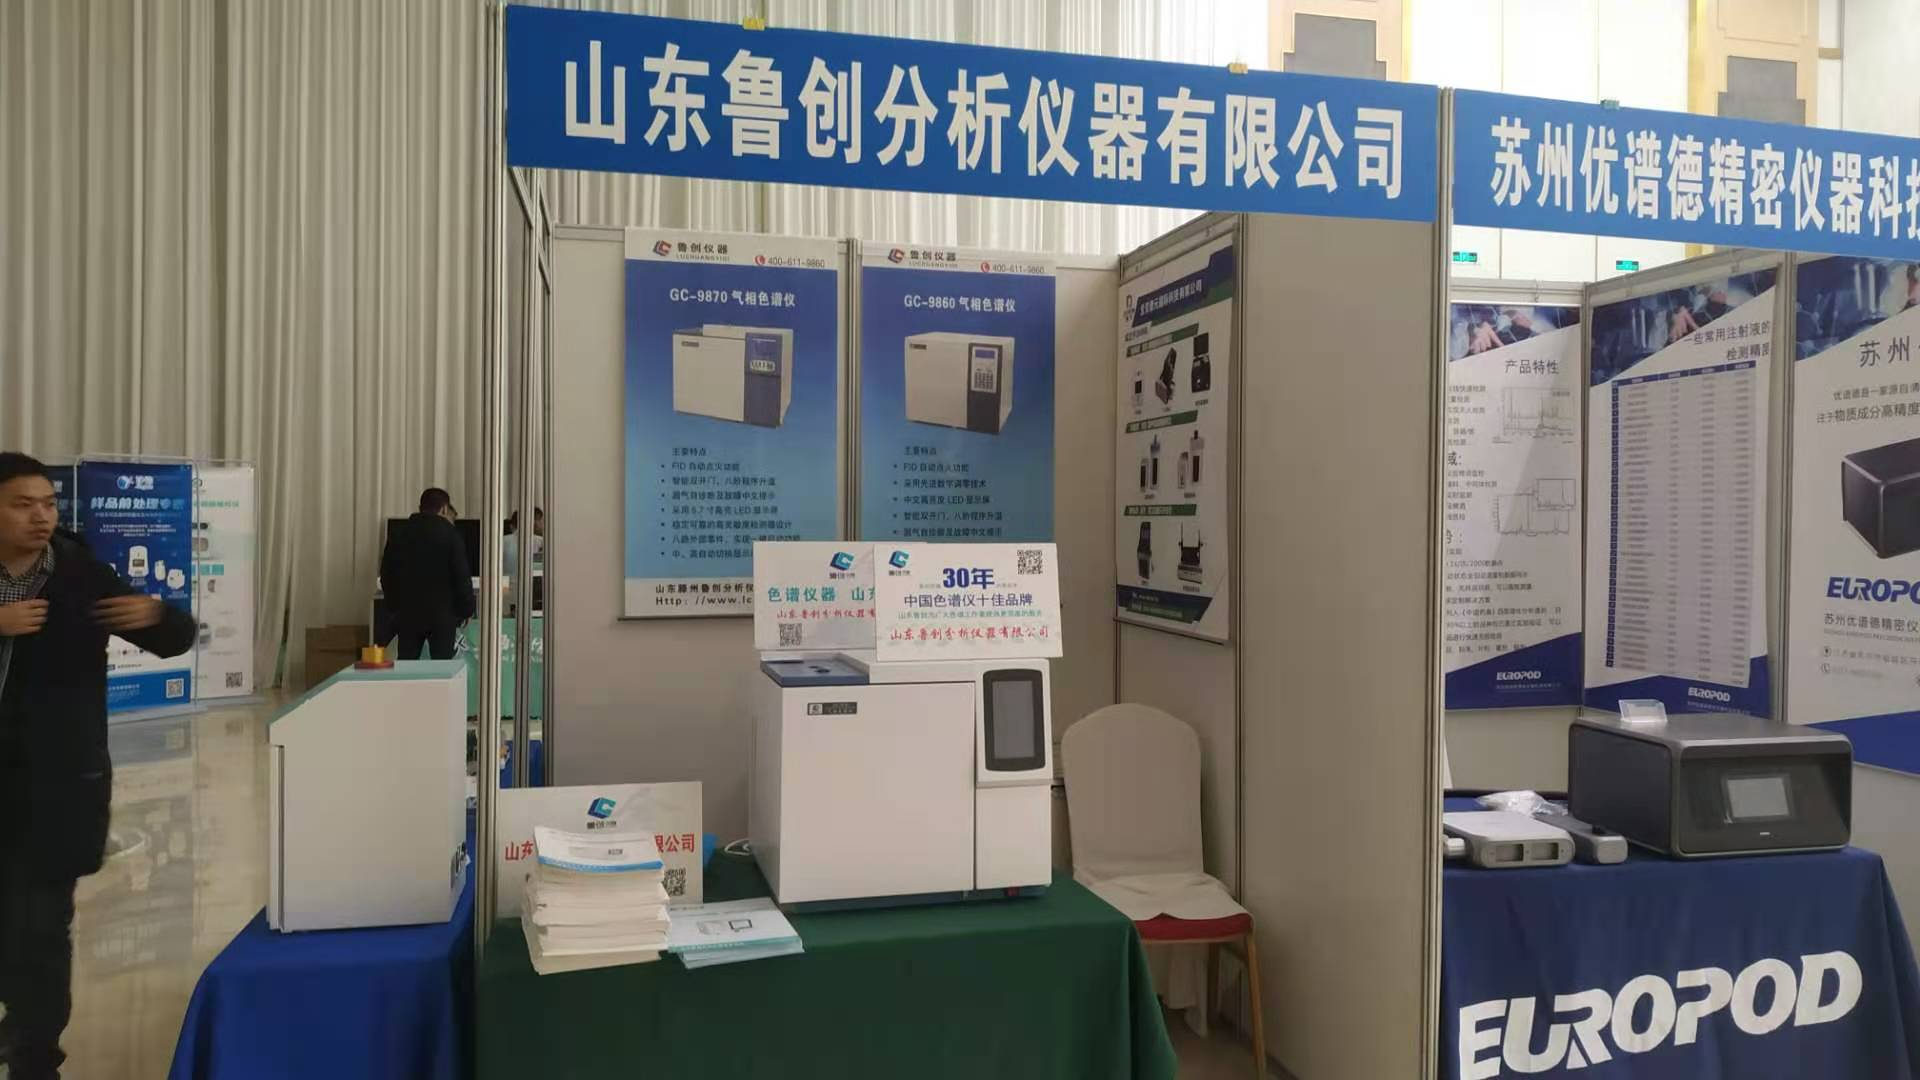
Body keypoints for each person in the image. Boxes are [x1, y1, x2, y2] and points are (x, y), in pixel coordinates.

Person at [0, 452, 196, 1080]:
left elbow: (175, 636)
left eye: (48, 503)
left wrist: (158, 616)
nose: (40, 516)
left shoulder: (79, 573)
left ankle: (36, 1056)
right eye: (22, 505)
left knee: (42, 926)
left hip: (54, 786)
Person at [379, 487, 474, 660]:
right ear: (444, 509)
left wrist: (394, 607)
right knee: (442, 668)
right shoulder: (451, 535)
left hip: (407, 614)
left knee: (407, 666)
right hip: (443, 616)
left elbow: (387, 574)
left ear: (420, 507)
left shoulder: (399, 533)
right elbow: (461, 577)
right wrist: (466, 610)